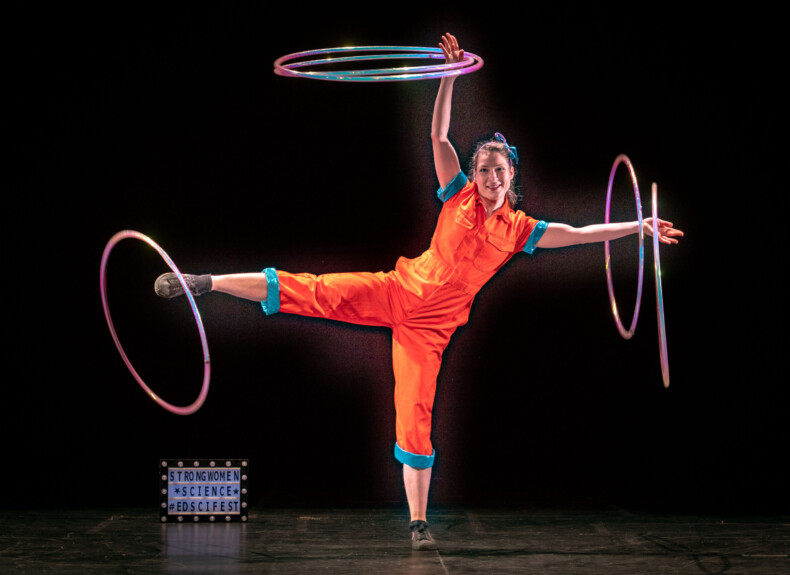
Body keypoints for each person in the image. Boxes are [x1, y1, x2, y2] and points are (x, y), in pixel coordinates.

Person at [154, 33, 683, 550]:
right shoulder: (456, 197)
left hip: (428, 332)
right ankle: (203, 282)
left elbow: (583, 234)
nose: (492, 177)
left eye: (500, 170)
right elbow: (439, 138)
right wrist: (448, 76)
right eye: (484, 170)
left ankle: (417, 525)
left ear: (512, 174)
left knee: (415, 415)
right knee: (308, 289)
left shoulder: (521, 230)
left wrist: (637, 227)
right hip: (395, 290)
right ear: (473, 175)